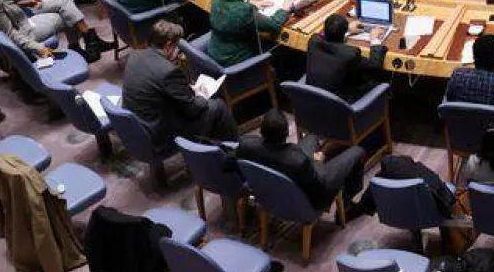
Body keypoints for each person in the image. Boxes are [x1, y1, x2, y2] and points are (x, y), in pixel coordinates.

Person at [228, 109, 367, 214]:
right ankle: (347, 205)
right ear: (287, 133)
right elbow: (319, 186)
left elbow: (228, 163)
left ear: (261, 131)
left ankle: (325, 151)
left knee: (312, 136)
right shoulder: (298, 161)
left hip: (271, 194)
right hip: (311, 198)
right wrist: (318, 162)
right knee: (358, 151)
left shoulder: (247, 145)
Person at [121, 20, 238, 142]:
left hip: (138, 126)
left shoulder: (135, 55)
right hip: (158, 134)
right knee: (217, 106)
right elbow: (192, 110)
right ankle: (233, 148)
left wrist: (185, 90)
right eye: (177, 46)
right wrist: (201, 96)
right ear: (168, 45)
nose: (178, 51)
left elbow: (160, 88)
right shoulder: (168, 71)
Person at [208, 0, 287, 66]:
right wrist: (284, 10)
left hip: (215, 52)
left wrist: (251, 3)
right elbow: (275, 26)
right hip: (235, 61)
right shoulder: (244, 10)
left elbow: (231, 7)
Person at [304, 13, 382, 102]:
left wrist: (347, 31)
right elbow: (375, 65)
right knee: (377, 79)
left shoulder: (313, 41)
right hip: (340, 102)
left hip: (312, 96)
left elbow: (325, 38)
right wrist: (374, 39)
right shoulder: (350, 53)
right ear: (344, 31)